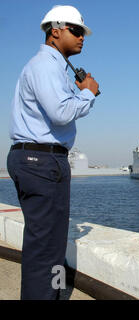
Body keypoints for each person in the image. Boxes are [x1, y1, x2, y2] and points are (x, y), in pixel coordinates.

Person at [7, 5, 99, 300]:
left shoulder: (48, 66)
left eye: (83, 32)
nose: (82, 37)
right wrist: (88, 93)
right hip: (42, 161)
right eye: (76, 31)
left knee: (44, 244)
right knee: (48, 247)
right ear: (55, 31)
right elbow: (60, 113)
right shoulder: (46, 65)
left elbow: (57, 108)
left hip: (35, 160)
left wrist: (78, 91)